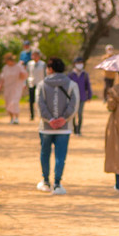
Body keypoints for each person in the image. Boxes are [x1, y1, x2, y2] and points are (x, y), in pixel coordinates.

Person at [35, 57, 80, 194]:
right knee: (61, 156)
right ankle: (57, 184)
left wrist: (50, 119)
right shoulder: (72, 84)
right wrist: (63, 119)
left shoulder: (42, 84)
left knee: (45, 153)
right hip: (64, 128)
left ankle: (46, 182)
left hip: (46, 128)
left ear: (50, 69)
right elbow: (74, 104)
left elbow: (40, 104)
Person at [0, 53, 28, 124]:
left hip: (16, 87)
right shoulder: (5, 68)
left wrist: (22, 75)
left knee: (14, 102)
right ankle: (11, 118)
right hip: (7, 87)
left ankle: (16, 118)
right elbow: (3, 78)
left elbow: (24, 76)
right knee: (8, 102)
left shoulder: (18, 67)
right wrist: (0, 85)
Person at [67, 57, 92, 135]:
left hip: (82, 97)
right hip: (73, 97)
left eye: (81, 63)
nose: (80, 65)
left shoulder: (85, 74)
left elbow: (88, 86)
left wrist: (89, 96)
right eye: (78, 63)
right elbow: (67, 86)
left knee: (80, 114)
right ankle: (75, 129)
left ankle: (79, 129)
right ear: (74, 64)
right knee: (73, 114)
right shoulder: (70, 75)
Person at [26, 49, 47, 121]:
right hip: (32, 83)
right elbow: (27, 73)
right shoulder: (29, 64)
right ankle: (32, 115)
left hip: (40, 83)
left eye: (36, 55)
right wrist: (26, 83)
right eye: (33, 55)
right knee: (31, 101)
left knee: (40, 100)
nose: (34, 57)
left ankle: (41, 114)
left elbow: (45, 74)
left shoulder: (43, 64)